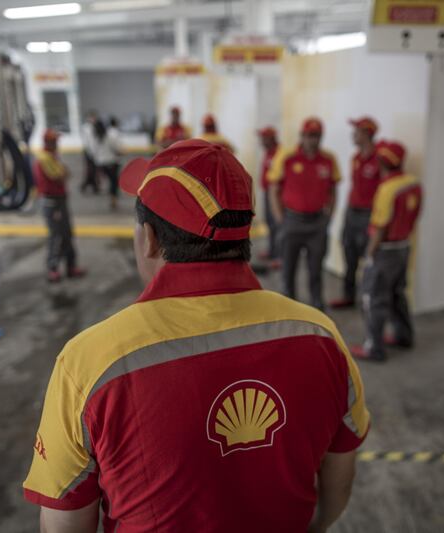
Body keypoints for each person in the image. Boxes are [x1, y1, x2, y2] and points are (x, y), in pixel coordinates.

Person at [23, 139, 370, 533]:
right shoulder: (322, 337)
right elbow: (339, 484)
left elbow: (64, 523)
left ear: (149, 238)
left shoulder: (88, 362)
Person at [350, 141, 421, 362]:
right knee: (398, 294)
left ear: (382, 161)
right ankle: (404, 335)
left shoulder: (387, 189)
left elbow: (380, 228)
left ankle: (374, 348)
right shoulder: (413, 183)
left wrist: (369, 256)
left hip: (385, 251)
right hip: (404, 247)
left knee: (373, 298)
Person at [268, 118, 341, 310]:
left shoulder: (328, 159)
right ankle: (289, 307)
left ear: (321, 137)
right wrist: (280, 219)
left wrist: (328, 217)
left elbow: (333, 190)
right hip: (292, 221)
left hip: (317, 223)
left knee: (316, 269)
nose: (312, 140)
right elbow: (274, 189)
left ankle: (317, 305)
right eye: (308, 135)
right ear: (302, 136)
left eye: (316, 136)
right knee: (288, 269)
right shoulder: (287, 157)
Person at [330, 117, 381, 309]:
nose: (353, 134)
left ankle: (370, 300)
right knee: (348, 254)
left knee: (369, 259)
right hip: (352, 212)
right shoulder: (355, 158)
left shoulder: (379, 159)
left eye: (357, 131)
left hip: (369, 215)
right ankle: (348, 296)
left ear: (367, 134)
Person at [33, 129, 87, 282]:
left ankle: (70, 267)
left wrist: (64, 172)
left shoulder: (51, 156)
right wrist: (64, 172)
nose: (57, 143)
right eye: (55, 140)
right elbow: (58, 176)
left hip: (59, 200)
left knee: (67, 235)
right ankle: (53, 268)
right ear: (48, 142)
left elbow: (64, 174)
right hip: (52, 202)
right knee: (56, 236)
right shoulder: (44, 158)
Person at [257, 126, 281, 264]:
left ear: (270, 138)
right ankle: (272, 251)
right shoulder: (268, 152)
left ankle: (279, 255)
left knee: (277, 224)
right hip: (267, 193)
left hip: (274, 195)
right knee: (270, 223)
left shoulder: (278, 153)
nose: (261, 141)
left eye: (263, 138)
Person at [92, 117, 122, 210]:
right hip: (112, 162)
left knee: (110, 181)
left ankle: (111, 197)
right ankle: (113, 199)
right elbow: (116, 148)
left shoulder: (95, 138)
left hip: (101, 163)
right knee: (114, 182)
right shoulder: (109, 136)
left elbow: (93, 152)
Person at [81, 110, 100, 194]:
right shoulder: (88, 128)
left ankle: (92, 186)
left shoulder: (90, 127)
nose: (94, 119)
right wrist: (93, 153)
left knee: (92, 170)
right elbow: (90, 142)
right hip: (90, 152)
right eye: (93, 117)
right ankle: (89, 185)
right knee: (92, 170)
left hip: (91, 151)